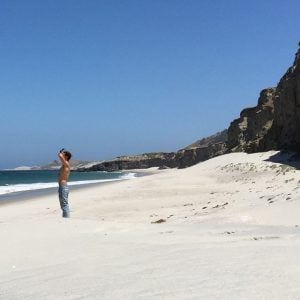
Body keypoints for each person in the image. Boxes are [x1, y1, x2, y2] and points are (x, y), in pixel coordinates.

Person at [58, 149, 72, 218]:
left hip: (63, 187)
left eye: (64, 154)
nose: (62, 155)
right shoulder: (65, 164)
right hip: (62, 186)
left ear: (66, 157)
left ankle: (66, 220)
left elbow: (60, 156)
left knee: (64, 204)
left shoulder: (66, 164)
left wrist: (61, 153)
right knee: (63, 204)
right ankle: (66, 218)